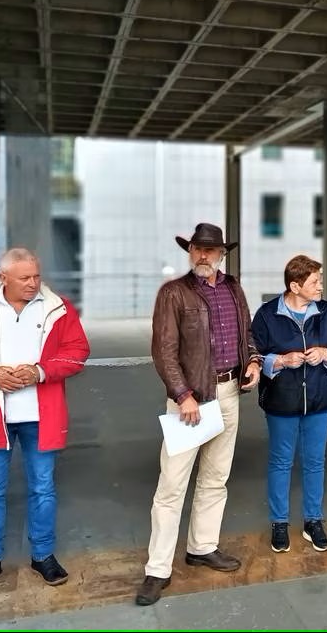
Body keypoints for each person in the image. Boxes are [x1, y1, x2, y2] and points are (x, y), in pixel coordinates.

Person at [0, 248, 89, 600]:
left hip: (41, 415)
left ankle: (43, 555)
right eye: (24, 277)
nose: (33, 283)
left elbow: (78, 351)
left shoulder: (57, 308)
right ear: (2, 277)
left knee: (43, 487)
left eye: (36, 276)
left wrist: (40, 372)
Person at [136, 223, 261, 607]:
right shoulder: (174, 293)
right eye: (197, 248)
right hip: (191, 399)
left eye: (211, 249)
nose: (203, 255)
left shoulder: (234, 289)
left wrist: (253, 360)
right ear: (189, 251)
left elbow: (247, 333)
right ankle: (157, 570)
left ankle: (202, 546)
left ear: (222, 253)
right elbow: (164, 350)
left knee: (215, 477)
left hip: (228, 393)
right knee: (172, 486)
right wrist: (182, 394)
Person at [251, 255, 327, 554]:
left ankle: (313, 521)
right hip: (281, 400)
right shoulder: (267, 315)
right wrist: (281, 360)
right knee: (281, 462)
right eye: (315, 281)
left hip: (320, 399)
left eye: (320, 280)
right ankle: (279, 523)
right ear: (295, 286)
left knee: (315, 462)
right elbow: (254, 352)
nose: (321, 285)